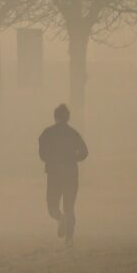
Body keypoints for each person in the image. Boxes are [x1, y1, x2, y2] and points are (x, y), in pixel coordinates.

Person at [38, 104, 88, 245]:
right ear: (68, 118)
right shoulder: (73, 133)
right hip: (71, 174)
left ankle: (60, 219)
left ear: (55, 116)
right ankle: (69, 239)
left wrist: (52, 160)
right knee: (69, 206)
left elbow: (42, 154)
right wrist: (73, 158)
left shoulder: (47, 133)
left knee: (52, 207)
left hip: (54, 175)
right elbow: (84, 152)